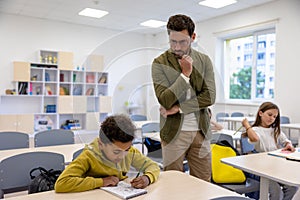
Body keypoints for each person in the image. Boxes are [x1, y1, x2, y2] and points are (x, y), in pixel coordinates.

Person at [151, 14, 216, 181]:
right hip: (173, 133)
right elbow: (165, 99)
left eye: (182, 41)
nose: (177, 47)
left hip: (200, 131)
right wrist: (185, 74)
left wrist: (179, 108)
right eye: (173, 41)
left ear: (193, 37)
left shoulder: (204, 60)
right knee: (173, 183)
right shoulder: (159, 63)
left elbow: (209, 96)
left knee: (203, 182)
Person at [55, 114, 160, 193]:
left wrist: (147, 178)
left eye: (127, 149)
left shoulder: (129, 152)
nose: (122, 156)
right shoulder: (89, 156)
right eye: (116, 152)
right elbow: (61, 183)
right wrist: (101, 182)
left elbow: (152, 165)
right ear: (101, 144)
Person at [241, 102, 298, 200]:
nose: (272, 118)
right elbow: (254, 138)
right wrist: (246, 125)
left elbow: (286, 141)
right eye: (269, 115)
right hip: (260, 169)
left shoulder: (275, 130)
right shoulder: (255, 130)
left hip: (274, 167)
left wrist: (289, 145)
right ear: (260, 113)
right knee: (276, 192)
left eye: (275, 117)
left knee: (292, 188)